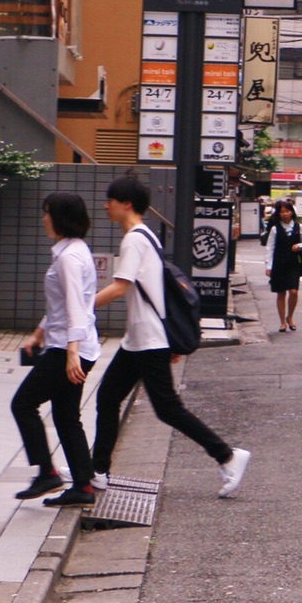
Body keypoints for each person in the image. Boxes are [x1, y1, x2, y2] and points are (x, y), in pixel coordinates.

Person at [90, 174, 251, 498]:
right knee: (107, 398)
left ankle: (228, 455)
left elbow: (121, 286)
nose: (106, 205)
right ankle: (97, 471)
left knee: (167, 408)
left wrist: (81, 306)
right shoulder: (146, 236)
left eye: (111, 200)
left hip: (147, 340)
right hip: (140, 340)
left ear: (127, 204)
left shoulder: (135, 238)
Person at [11, 192, 101, 507]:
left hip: (69, 348)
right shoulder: (76, 251)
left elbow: (77, 305)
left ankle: (48, 473)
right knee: (65, 416)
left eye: (47, 212)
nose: (43, 218)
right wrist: (39, 334)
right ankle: (83, 486)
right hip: (74, 344)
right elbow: (63, 305)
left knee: (23, 404)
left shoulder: (68, 257)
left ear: (60, 217)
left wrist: (71, 352)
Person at [262, 198, 302, 332]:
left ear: (291, 212)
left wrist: (299, 246)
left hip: (294, 263)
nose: (284, 214)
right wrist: (268, 266)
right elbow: (269, 248)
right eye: (282, 212)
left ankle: (290, 316)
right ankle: (282, 321)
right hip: (279, 263)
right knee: (281, 293)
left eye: (287, 211)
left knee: (293, 291)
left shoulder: (298, 227)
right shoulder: (275, 229)